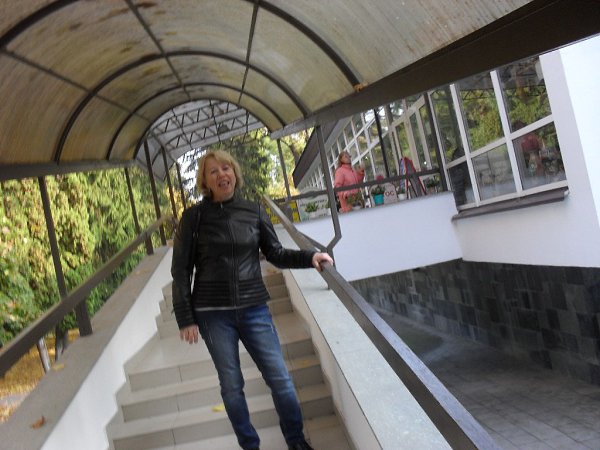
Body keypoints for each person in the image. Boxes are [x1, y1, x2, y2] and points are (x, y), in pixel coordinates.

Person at [171, 149, 333, 450]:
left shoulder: (254, 211)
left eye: (226, 168)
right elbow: (180, 270)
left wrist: (310, 256)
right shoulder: (193, 218)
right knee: (232, 386)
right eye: (213, 171)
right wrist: (185, 318)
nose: (221, 174)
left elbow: (276, 254)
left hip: (254, 308)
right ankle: (250, 446)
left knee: (281, 379)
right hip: (212, 313)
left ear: (235, 173)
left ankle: (296, 442)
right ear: (205, 181)